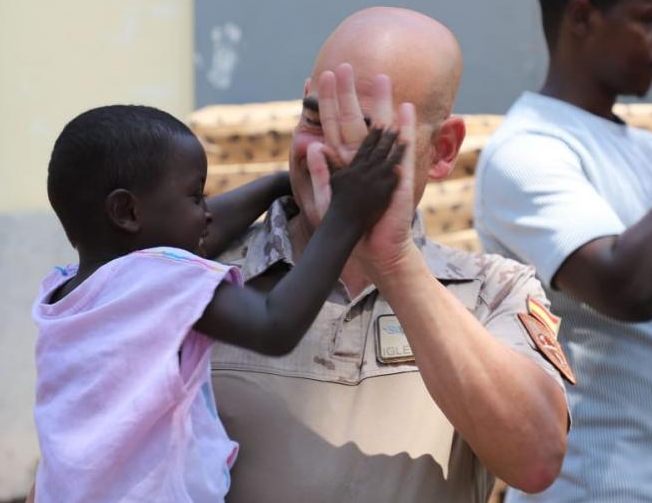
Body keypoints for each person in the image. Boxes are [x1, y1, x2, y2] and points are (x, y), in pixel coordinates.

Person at [210, 7, 572, 503]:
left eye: (365, 133)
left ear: (443, 149)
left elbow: (535, 461)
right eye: (316, 120)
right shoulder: (200, 279)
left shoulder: (493, 292)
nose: (328, 153)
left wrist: (396, 263)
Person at [29, 104, 407, 502]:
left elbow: (197, 233)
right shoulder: (161, 283)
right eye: (196, 196)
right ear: (126, 211)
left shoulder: (66, 292)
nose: (207, 213)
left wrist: (281, 185)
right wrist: (347, 213)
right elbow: (272, 325)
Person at [473, 0, 652, 500]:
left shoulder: (649, 152)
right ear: (581, 17)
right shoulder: (526, 152)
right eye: (648, 19)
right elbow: (628, 287)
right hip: (601, 487)